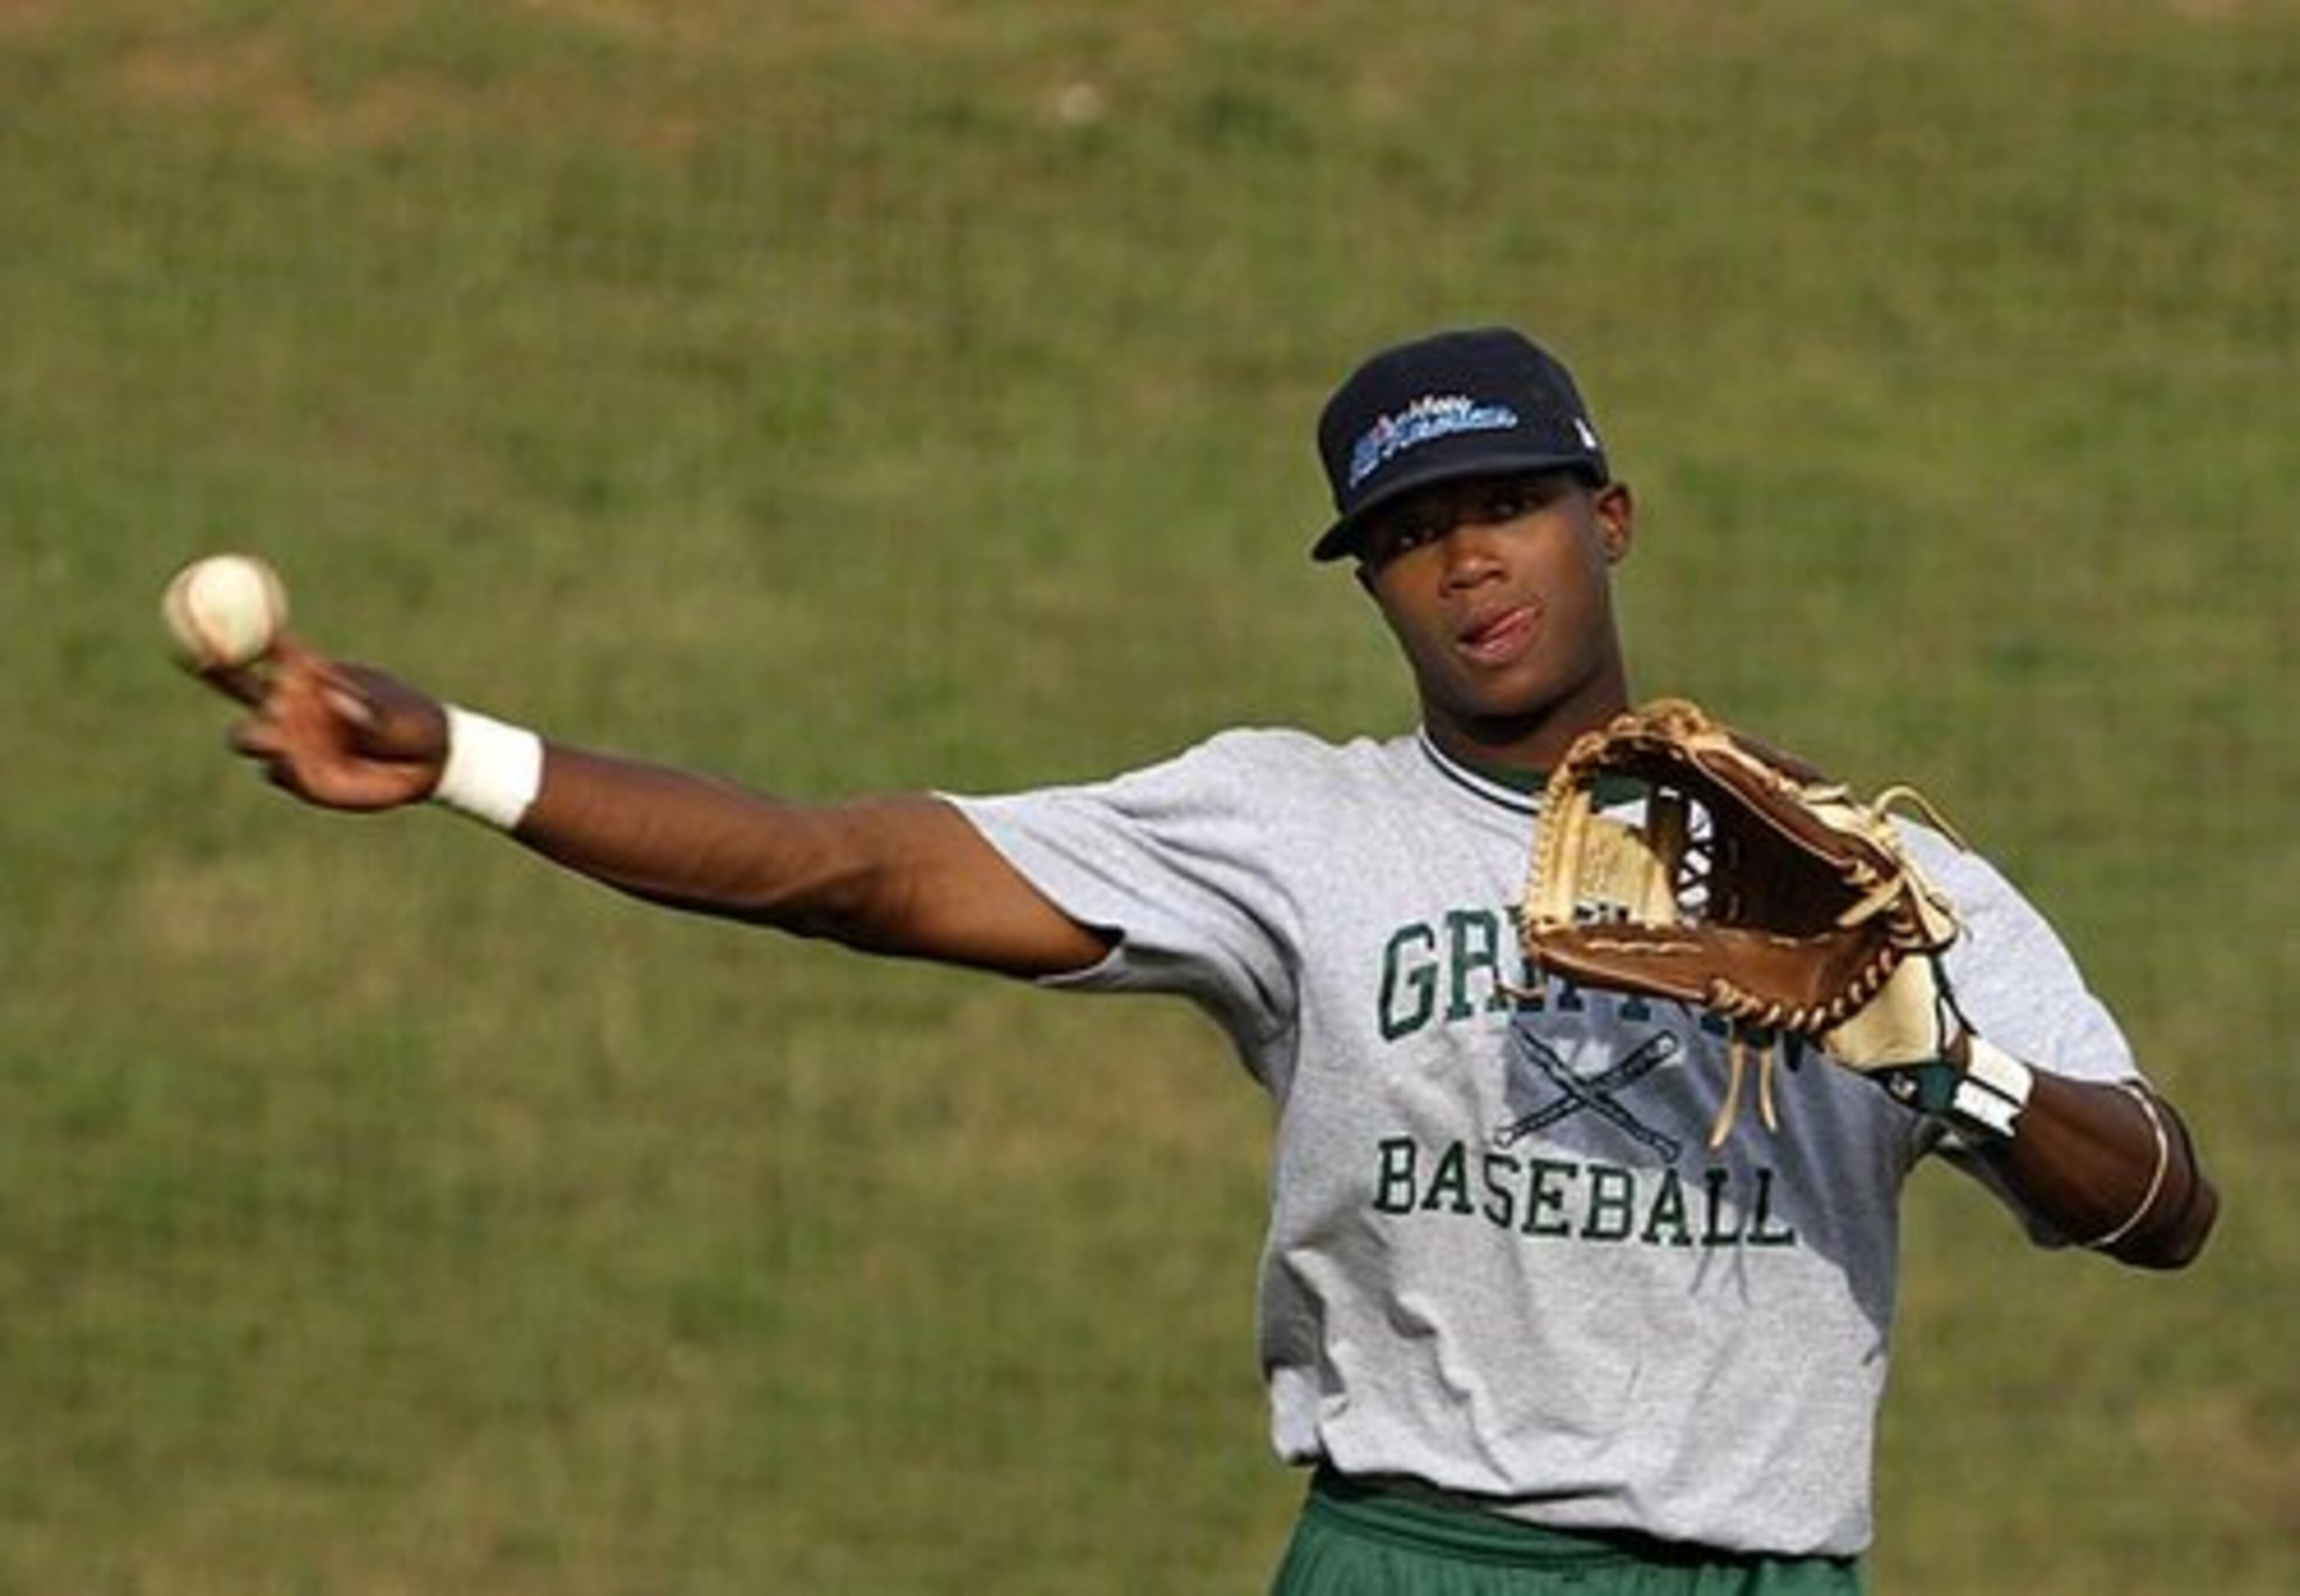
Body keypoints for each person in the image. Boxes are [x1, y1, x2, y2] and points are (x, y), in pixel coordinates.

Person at [208, 326, 2217, 1594]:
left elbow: (2163, 1203)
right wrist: (465, 756)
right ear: (1373, 578)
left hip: (1779, 1567)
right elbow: (851, 868)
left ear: (1610, 517)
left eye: (1510, 503)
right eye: (1414, 530)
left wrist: (1933, 1056)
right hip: (1424, 1557)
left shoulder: (1862, 872)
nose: (1470, 559)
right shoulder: (1292, 829)